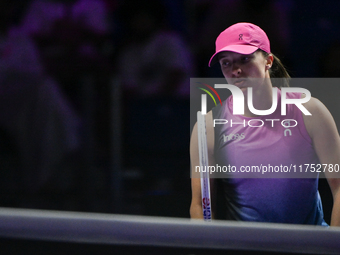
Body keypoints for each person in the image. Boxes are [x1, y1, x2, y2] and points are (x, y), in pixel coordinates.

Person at [190, 22, 340, 226]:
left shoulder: (310, 111)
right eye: (226, 63)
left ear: (268, 60)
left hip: (309, 245)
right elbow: (200, 205)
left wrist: (330, 245)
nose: (235, 71)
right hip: (245, 246)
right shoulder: (208, 126)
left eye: (245, 59)